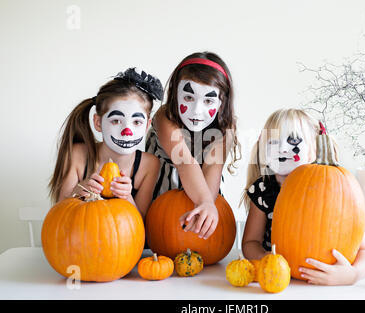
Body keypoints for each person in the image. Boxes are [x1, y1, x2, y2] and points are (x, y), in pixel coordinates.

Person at [241, 108, 365, 285]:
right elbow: (250, 242)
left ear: (314, 149)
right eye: (272, 142)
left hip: (326, 284)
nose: (282, 149)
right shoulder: (264, 189)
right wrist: (264, 258)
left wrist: (353, 275)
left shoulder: (334, 188)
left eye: (293, 141)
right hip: (281, 283)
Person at [146, 51, 240, 240]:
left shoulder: (226, 127)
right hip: (158, 212)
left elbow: (213, 169)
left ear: (222, 103)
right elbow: (184, 162)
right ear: (175, 94)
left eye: (208, 101)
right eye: (189, 98)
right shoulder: (165, 117)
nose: (197, 110)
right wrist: (204, 201)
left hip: (202, 201)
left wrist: (206, 205)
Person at [48, 68, 163, 220]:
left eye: (137, 122)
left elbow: (140, 225)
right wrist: (78, 192)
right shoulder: (77, 155)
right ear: (98, 122)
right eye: (116, 120)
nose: (127, 131)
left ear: (147, 125)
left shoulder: (149, 164)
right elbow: (59, 216)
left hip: (125, 242)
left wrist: (127, 197)